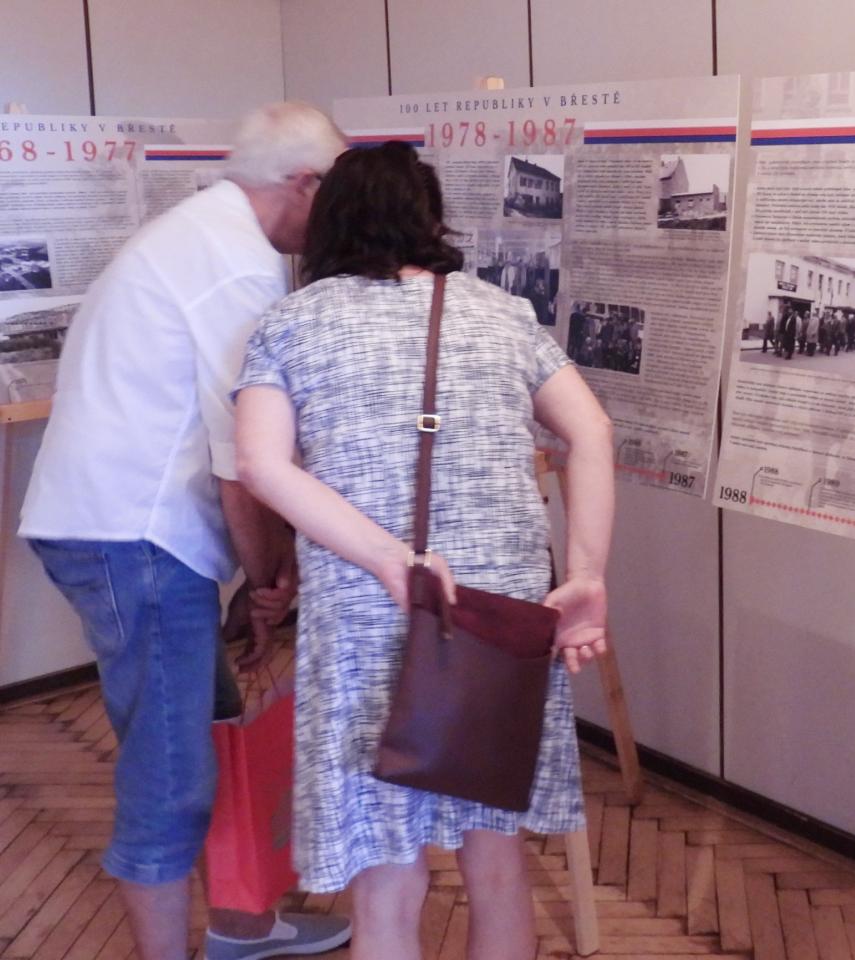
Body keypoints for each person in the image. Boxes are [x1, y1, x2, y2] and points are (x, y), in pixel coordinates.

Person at [232, 142, 614, 960]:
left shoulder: (291, 323)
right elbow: (591, 431)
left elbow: (258, 464)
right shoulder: (500, 312)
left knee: (386, 876)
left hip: (369, 612)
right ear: (429, 220)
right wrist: (586, 573)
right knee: (497, 861)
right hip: (495, 613)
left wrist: (384, 557)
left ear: (330, 223)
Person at [18, 103, 351, 960]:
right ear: (304, 184)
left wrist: (257, 579)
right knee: (171, 774)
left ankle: (242, 925)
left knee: (209, 723)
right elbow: (246, 461)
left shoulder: (205, 234)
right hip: (132, 534)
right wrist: (269, 581)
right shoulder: (234, 266)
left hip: (122, 527)